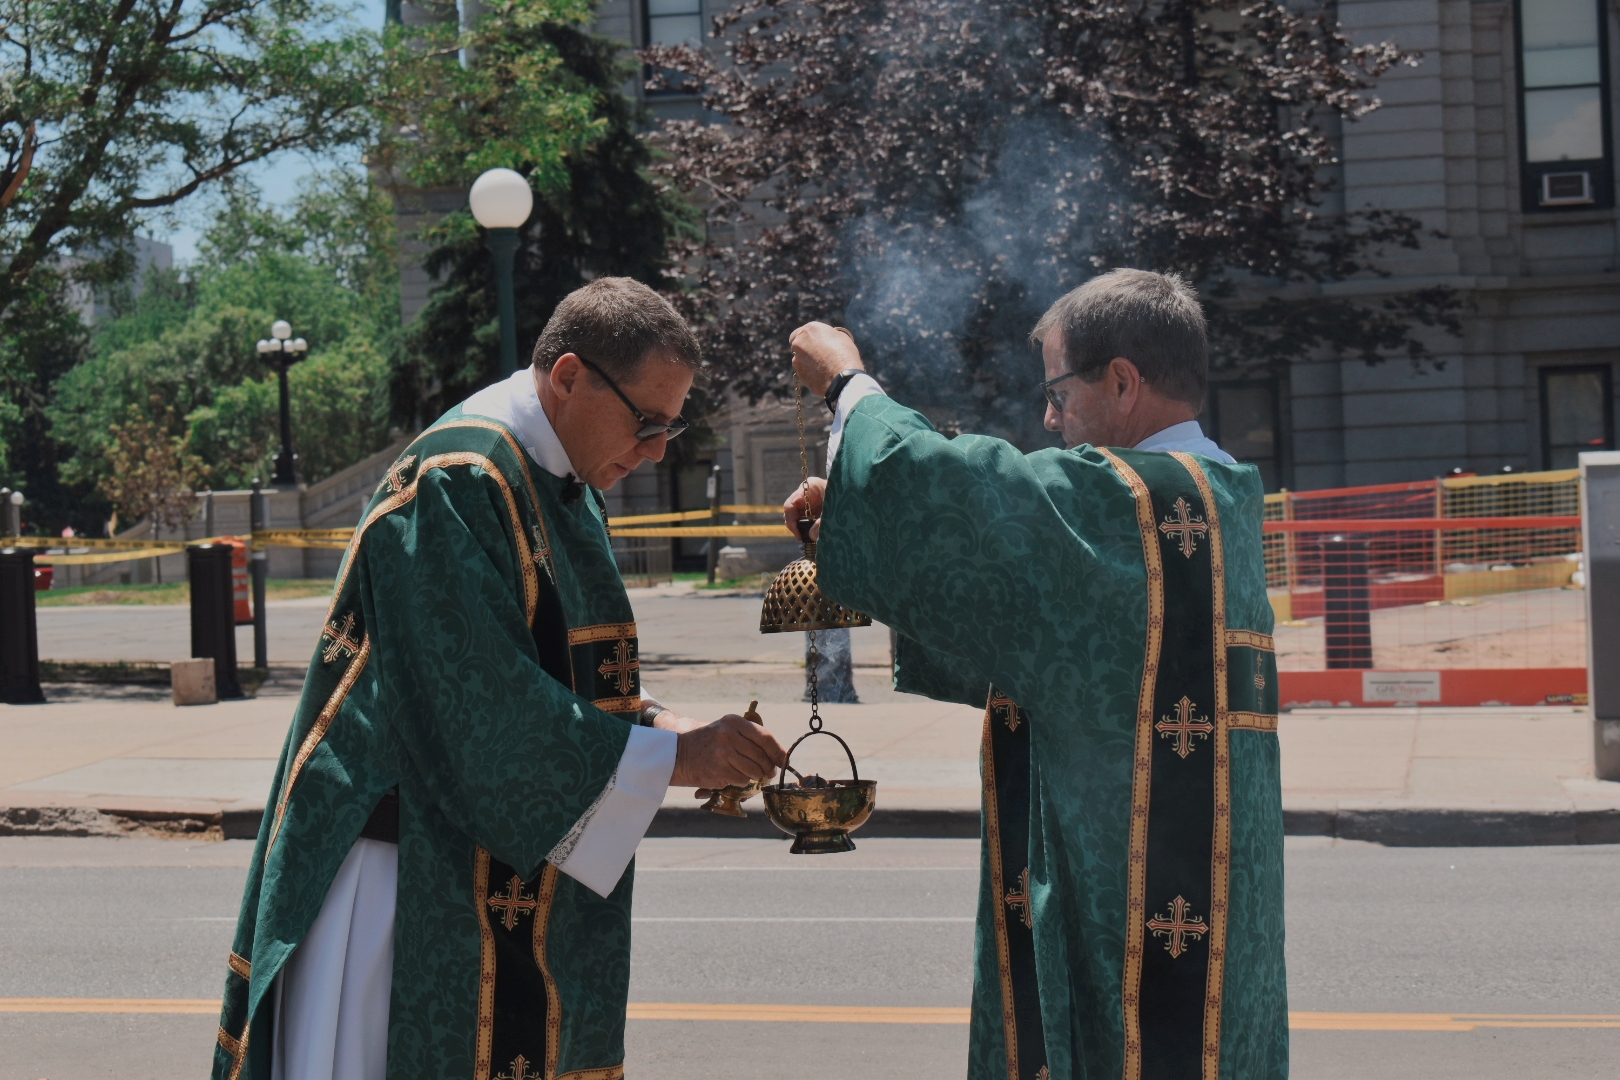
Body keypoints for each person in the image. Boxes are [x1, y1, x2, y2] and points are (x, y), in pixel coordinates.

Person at [213, 277, 787, 1080]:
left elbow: (553, 668)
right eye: (647, 422)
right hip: (403, 885)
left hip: (475, 859)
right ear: (569, 377)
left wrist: (659, 723)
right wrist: (676, 759)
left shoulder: (561, 477)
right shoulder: (461, 478)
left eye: (672, 425)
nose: (658, 448)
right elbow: (479, 712)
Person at [786, 269, 1286, 1080]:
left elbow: (955, 484)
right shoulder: (1213, 495)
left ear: (1123, 381)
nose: (1048, 419)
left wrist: (848, 383)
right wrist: (853, 517)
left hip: (1135, 915)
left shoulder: (1145, 499)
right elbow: (1048, 641)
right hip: (1207, 917)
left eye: (1058, 392)